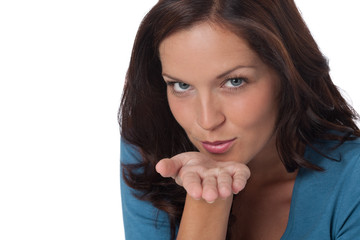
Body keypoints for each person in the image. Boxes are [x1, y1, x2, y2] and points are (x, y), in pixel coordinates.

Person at [119, 0, 360, 239]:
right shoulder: (152, 148)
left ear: (288, 75)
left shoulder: (352, 181)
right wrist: (206, 198)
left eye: (235, 81)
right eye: (181, 86)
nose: (207, 121)